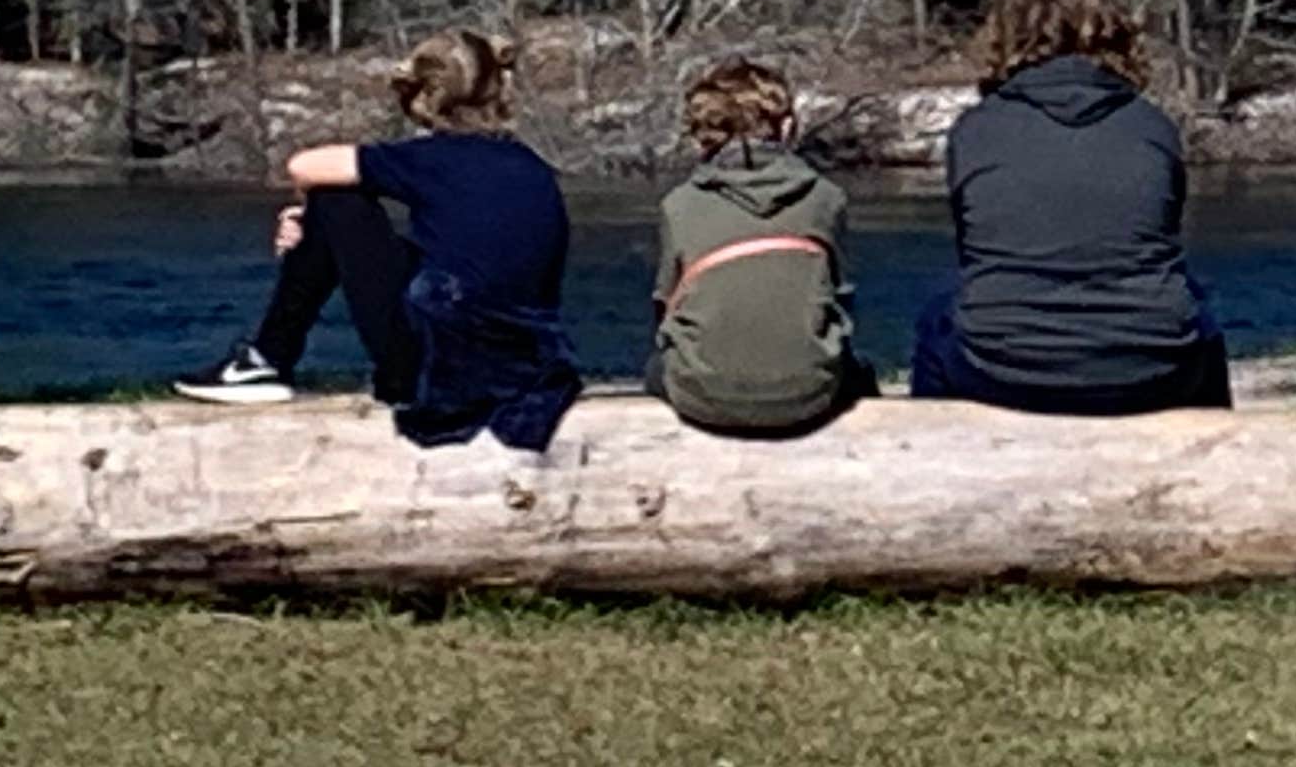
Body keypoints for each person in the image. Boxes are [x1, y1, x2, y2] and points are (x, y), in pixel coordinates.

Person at [173, 27, 579, 451]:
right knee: (414, 258)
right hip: (529, 370)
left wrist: (310, 213)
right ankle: (266, 358)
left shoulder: (427, 160)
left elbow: (304, 166)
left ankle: (267, 358)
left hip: (436, 374)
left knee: (335, 200)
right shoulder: (535, 170)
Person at [909, 0, 1230, 414]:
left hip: (1000, 368)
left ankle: (933, 438)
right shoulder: (1152, 126)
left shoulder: (977, 129)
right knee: (1196, 307)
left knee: (938, 314)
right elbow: (1163, 237)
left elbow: (974, 251)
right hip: (1150, 366)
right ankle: (1213, 436)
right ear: (1113, 36)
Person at [646, 54, 875, 436]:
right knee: (860, 370)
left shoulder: (679, 205)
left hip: (703, 397)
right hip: (810, 394)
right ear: (785, 127)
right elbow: (841, 297)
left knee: (656, 366)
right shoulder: (826, 199)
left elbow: (664, 306)